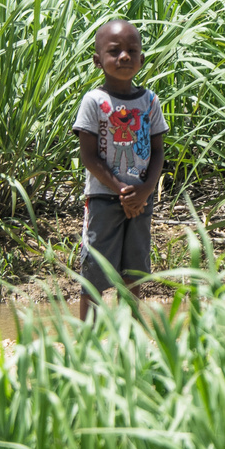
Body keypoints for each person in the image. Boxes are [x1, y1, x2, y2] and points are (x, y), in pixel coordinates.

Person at [72, 19, 168, 319]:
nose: (124, 57)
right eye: (114, 51)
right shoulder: (94, 101)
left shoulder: (149, 101)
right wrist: (121, 189)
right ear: (98, 60)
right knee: (96, 268)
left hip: (141, 199)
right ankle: (88, 334)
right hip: (104, 197)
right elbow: (89, 157)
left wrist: (145, 191)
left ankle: (130, 329)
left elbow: (157, 151)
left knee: (135, 268)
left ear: (141, 59)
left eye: (131, 50)